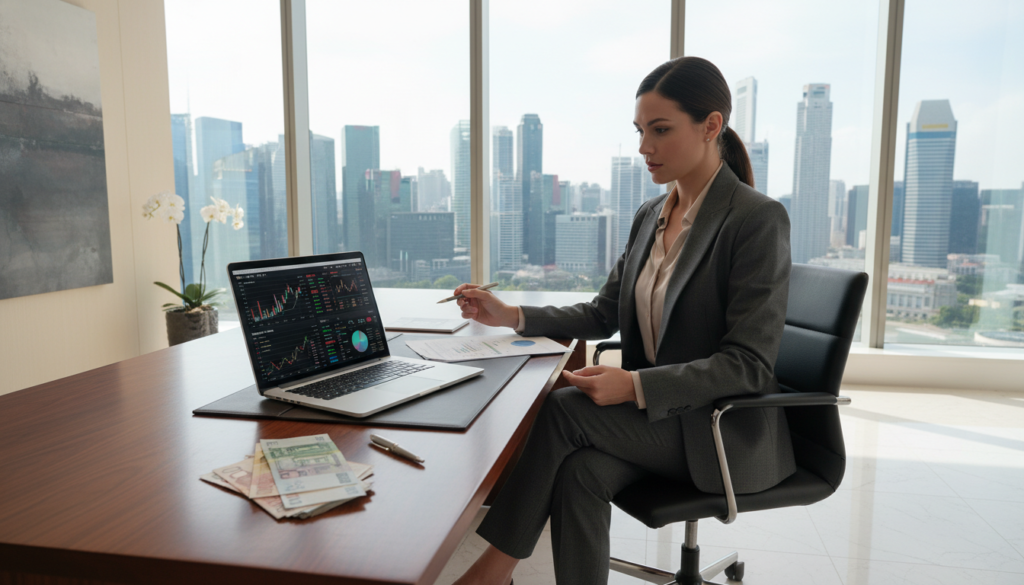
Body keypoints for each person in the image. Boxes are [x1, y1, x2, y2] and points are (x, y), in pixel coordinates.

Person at [452, 56, 795, 585]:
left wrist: (634, 386)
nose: (644, 148)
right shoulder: (649, 215)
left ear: (711, 126)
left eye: (660, 130)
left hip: (717, 431)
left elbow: (749, 365)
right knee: (578, 473)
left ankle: (492, 572)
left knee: (563, 410)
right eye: (640, 131)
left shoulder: (754, 219)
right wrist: (511, 314)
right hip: (659, 425)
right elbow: (602, 312)